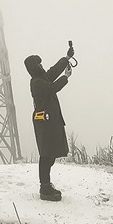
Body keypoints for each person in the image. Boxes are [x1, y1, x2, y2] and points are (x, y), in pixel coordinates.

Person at [24, 45, 75, 201]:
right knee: (46, 154)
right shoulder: (37, 82)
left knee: (49, 154)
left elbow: (53, 71)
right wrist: (66, 77)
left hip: (48, 120)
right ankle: (44, 188)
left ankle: (46, 185)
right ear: (34, 67)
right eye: (39, 64)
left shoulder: (41, 78)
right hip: (44, 121)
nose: (41, 65)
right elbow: (53, 87)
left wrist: (66, 58)